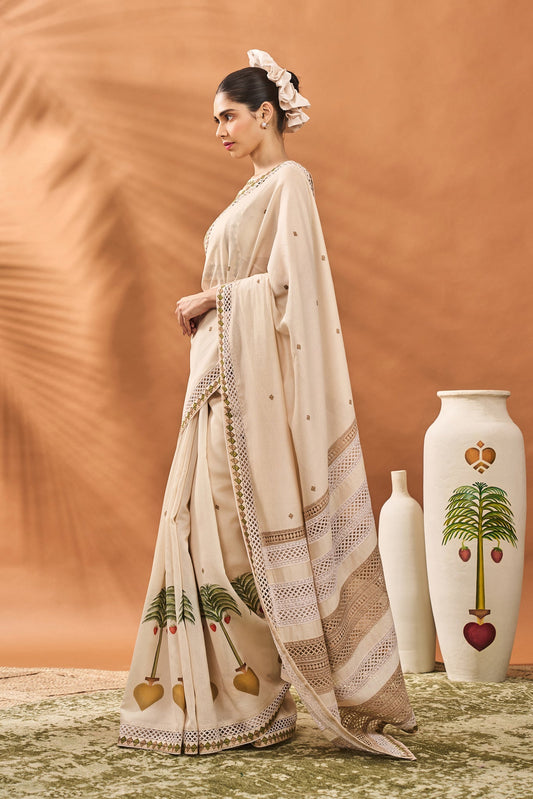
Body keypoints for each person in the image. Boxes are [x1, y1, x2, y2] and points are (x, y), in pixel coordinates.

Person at [118, 49, 416, 760]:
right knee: (199, 535)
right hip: (217, 388)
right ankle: (218, 698)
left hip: (247, 395)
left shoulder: (289, 182)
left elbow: (291, 287)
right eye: (214, 120)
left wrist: (212, 297)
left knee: (232, 544)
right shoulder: (251, 190)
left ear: (265, 113)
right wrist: (214, 309)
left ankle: (257, 699)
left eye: (228, 116)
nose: (219, 130)